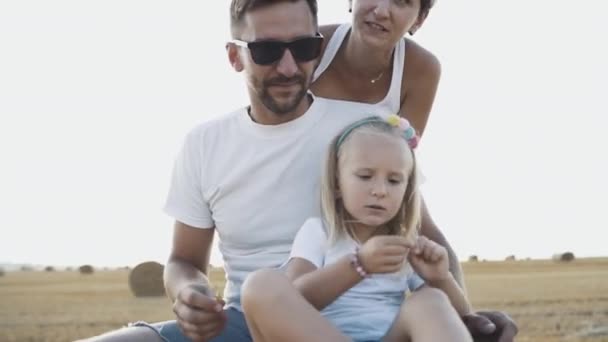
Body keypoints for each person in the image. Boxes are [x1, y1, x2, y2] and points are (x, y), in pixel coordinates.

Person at [82, 1, 516, 341]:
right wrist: (188, 293)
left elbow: (421, 228)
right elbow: (183, 260)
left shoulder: (358, 132)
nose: (288, 67)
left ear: (318, 47)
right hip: (248, 321)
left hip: (371, 318)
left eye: (303, 48)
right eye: (268, 50)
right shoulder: (204, 142)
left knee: (430, 309)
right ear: (236, 57)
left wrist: (468, 317)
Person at [242, 115, 474, 342]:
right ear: (337, 184)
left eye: (394, 181)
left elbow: (465, 318)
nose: (380, 190)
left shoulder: (406, 244)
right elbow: (295, 300)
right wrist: (358, 265)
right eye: (365, 176)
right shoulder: (320, 232)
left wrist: (441, 278)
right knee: (260, 285)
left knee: (430, 301)